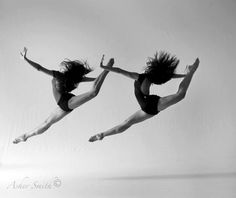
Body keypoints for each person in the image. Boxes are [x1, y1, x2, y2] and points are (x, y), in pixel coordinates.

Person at [89, 51, 199, 142]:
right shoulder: (145, 77)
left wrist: (105, 67)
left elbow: (120, 71)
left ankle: (191, 71)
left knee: (126, 123)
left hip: (148, 106)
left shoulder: (140, 77)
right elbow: (170, 76)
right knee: (126, 123)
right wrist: (186, 75)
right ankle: (102, 134)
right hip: (149, 106)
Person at [13, 47, 114, 144]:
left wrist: (26, 59)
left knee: (47, 123)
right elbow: (39, 68)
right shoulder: (61, 76)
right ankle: (108, 69)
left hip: (65, 102)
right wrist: (26, 59)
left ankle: (25, 136)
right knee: (93, 93)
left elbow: (95, 79)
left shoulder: (64, 76)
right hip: (66, 102)